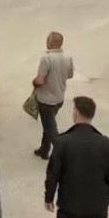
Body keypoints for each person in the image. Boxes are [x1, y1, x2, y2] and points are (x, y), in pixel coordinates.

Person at [32, 31, 74, 160]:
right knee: (48, 125)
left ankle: (62, 155)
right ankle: (44, 149)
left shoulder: (46, 59)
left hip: (46, 100)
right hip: (59, 98)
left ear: (51, 42)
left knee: (51, 129)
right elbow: (70, 75)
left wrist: (34, 82)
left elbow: (40, 80)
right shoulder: (67, 57)